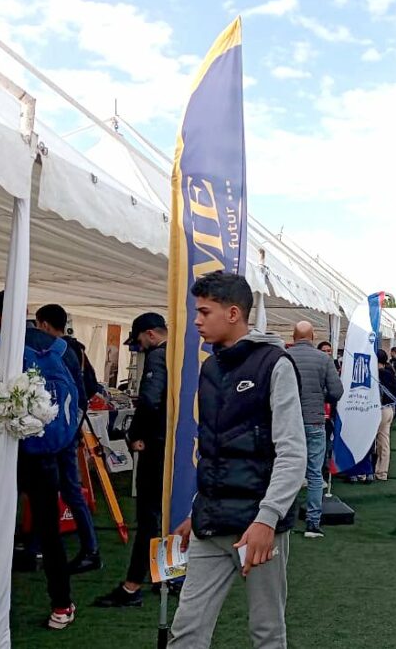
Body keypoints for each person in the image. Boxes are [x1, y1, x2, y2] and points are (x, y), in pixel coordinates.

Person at [168, 271, 306, 648]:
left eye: (204, 311)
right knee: (187, 629)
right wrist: (198, 509)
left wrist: (267, 518)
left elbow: (292, 452)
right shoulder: (210, 367)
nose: (196, 320)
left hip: (259, 528)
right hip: (211, 523)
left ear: (233, 313)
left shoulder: (275, 364)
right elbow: (214, 449)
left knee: (266, 632)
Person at [0, 290, 85, 630]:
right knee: (50, 532)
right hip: (45, 455)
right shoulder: (63, 349)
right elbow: (77, 404)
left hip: (2, 455)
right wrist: (61, 447)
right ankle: (62, 605)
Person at [94, 312, 170, 607]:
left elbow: (150, 400)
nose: (138, 347)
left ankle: (132, 586)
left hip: (156, 446)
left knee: (149, 517)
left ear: (151, 334)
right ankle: (167, 577)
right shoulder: (182, 354)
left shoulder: (156, 358)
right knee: (167, 515)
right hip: (176, 445)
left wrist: (136, 433)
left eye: (138, 341)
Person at [34, 305, 103, 574]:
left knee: (57, 490)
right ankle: (88, 549)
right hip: (70, 430)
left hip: (52, 431)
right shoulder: (78, 349)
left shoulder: (55, 351)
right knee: (67, 489)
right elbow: (90, 388)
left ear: (44, 325)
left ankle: (84, 549)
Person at [286, 322, 344, 537]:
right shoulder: (324, 359)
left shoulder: (284, 357)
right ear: (312, 336)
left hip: (288, 422)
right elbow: (337, 391)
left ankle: (286, 522)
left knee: (288, 471)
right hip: (315, 420)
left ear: (293, 335)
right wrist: (321, 397)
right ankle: (312, 523)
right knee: (314, 474)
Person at [374, 349, 396, 481]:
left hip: (379, 409)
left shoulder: (377, 374)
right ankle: (382, 472)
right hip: (389, 409)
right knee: (384, 441)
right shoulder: (390, 373)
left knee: (376, 441)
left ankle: (375, 470)